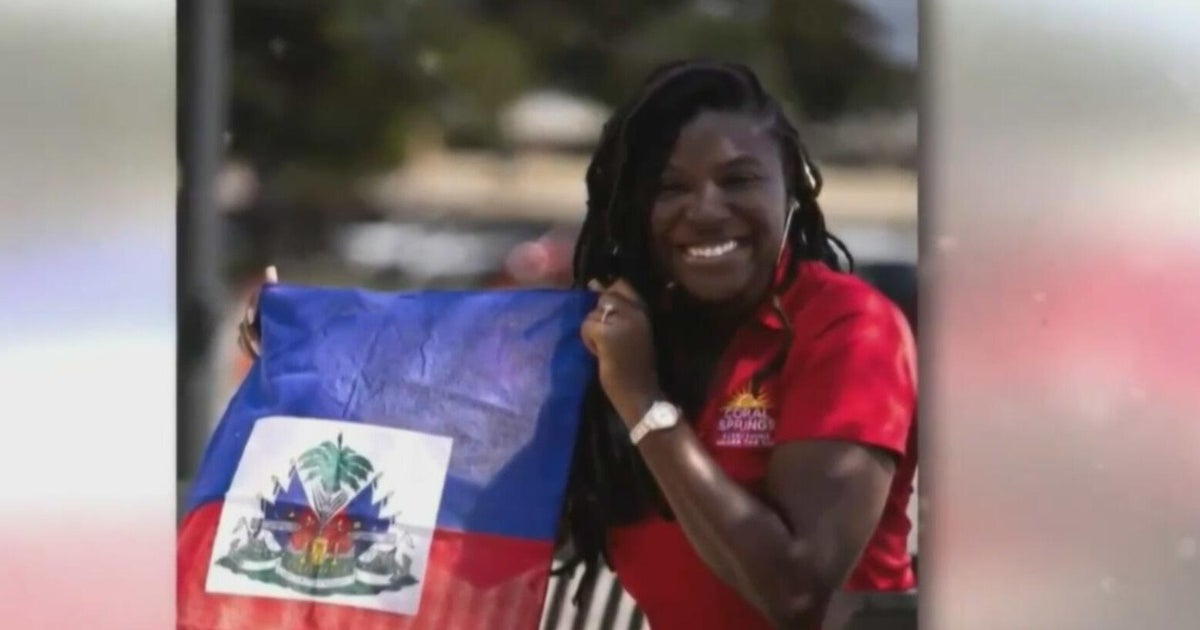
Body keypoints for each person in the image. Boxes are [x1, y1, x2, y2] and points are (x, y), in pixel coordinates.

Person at [240, 60, 917, 630]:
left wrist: (645, 405)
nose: (706, 209)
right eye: (669, 188)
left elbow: (796, 594)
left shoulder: (848, 327)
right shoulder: (618, 335)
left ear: (792, 187)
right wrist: (309, 359)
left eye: (739, 180)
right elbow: (460, 486)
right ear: (633, 211)